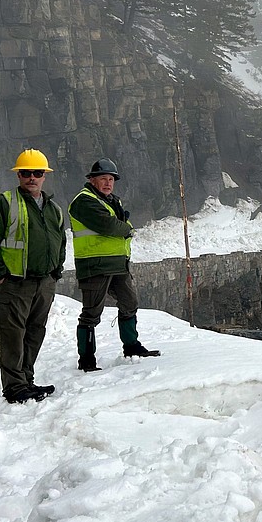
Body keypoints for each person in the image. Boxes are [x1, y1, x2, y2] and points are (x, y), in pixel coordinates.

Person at [0, 148, 67, 404]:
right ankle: (14, 387)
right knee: (13, 336)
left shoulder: (53, 209)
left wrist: (55, 272)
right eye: (26, 173)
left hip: (44, 283)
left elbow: (60, 241)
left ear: (44, 176)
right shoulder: (4, 203)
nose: (32, 178)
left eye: (37, 173)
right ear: (18, 175)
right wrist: (0, 275)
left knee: (34, 332)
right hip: (15, 284)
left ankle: (26, 380)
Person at [70, 158, 160, 371]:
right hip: (95, 265)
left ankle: (132, 346)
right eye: (103, 178)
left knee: (129, 303)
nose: (108, 183)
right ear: (92, 180)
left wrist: (123, 226)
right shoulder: (84, 201)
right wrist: (126, 229)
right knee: (91, 313)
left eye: (111, 179)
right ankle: (86, 359)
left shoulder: (112, 201)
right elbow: (109, 226)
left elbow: (118, 224)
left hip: (118, 264)